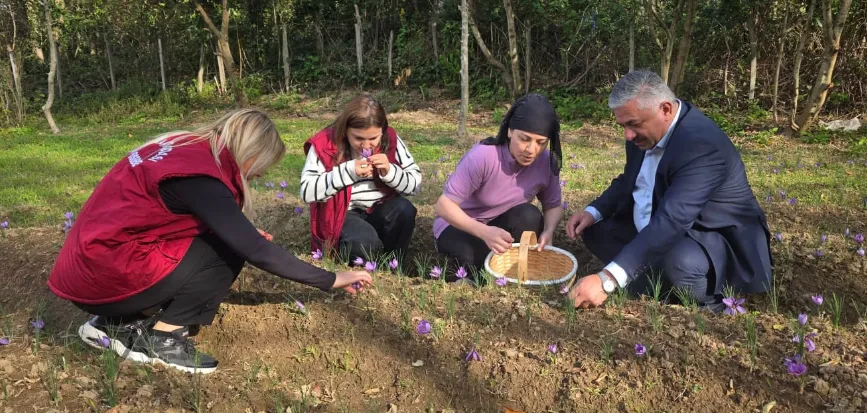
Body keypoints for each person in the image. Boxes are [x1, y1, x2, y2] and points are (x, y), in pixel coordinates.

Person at [47, 109, 373, 374]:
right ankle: (164, 336)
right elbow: (255, 250)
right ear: (249, 153)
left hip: (89, 267)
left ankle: (113, 324)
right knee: (231, 245)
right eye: (261, 166)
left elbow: (158, 217)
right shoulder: (202, 177)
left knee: (230, 236)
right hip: (103, 275)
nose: (259, 175)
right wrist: (331, 279)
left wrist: (232, 228)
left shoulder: (182, 148)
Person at [566, 70, 772, 310]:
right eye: (622, 125)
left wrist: (607, 280)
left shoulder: (702, 145)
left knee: (678, 262)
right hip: (657, 224)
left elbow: (673, 220)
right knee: (593, 230)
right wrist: (594, 211)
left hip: (707, 238)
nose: (627, 135)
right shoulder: (642, 134)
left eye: (632, 125)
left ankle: (711, 302)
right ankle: (648, 279)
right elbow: (629, 179)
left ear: (665, 109)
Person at [434, 93, 564, 279]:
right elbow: (444, 206)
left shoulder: (545, 162)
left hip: (499, 226)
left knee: (530, 216)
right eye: (524, 139)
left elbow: (553, 206)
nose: (531, 150)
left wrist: (549, 230)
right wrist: (485, 232)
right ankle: (472, 266)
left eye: (541, 143)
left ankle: (499, 264)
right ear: (510, 131)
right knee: (468, 259)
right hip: (460, 224)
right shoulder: (484, 157)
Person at [300, 95, 421, 264]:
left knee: (404, 209)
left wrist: (389, 171)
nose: (366, 146)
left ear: (382, 131)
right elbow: (307, 192)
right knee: (363, 244)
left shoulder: (390, 139)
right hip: (341, 215)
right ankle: (366, 257)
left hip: (379, 209)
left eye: (373, 139)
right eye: (358, 138)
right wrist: (347, 171)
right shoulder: (324, 144)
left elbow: (415, 186)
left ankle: (392, 263)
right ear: (344, 131)